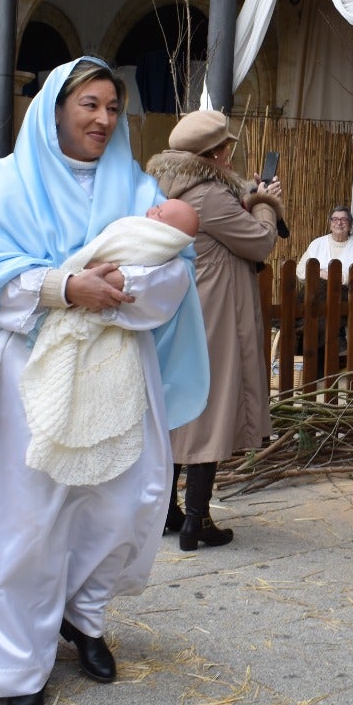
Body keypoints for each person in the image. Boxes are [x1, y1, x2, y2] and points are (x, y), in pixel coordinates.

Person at [0, 59, 208, 705]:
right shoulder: (7, 181)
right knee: (27, 517)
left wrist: (117, 294)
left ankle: (82, 618)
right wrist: (63, 288)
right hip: (23, 375)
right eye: (90, 104)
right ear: (57, 107)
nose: (103, 119)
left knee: (125, 499)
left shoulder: (136, 185)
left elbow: (173, 269)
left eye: (113, 107)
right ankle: (15, 657)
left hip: (114, 366)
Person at [146, 110, 283, 550]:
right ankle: (197, 520)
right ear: (217, 152)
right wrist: (265, 203)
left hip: (179, 312)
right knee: (209, 412)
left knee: (175, 412)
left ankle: (167, 510)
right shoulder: (208, 195)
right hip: (214, 314)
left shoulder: (168, 187)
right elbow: (259, 240)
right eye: (227, 148)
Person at [296, 206, 353, 280]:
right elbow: (300, 271)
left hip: (349, 291)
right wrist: (319, 273)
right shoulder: (316, 244)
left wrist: (343, 278)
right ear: (330, 225)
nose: (339, 223)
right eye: (335, 219)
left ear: (350, 225)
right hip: (317, 291)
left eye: (344, 219)